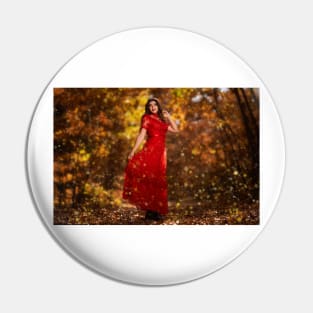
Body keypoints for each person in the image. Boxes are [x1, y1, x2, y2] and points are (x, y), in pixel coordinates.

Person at [122, 97, 179, 222]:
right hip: (150, 151)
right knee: (149, 179)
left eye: (155, 105)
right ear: (148, 108)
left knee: (158, 180)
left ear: (158, 106)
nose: (153, 107)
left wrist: (169, 117)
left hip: (161, 154)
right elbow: (142, 135)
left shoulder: (162, 120)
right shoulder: (147, 118)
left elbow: (176, 129)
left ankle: (156, 210)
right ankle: (150, 211)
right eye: (150, 105)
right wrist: (133, 151)